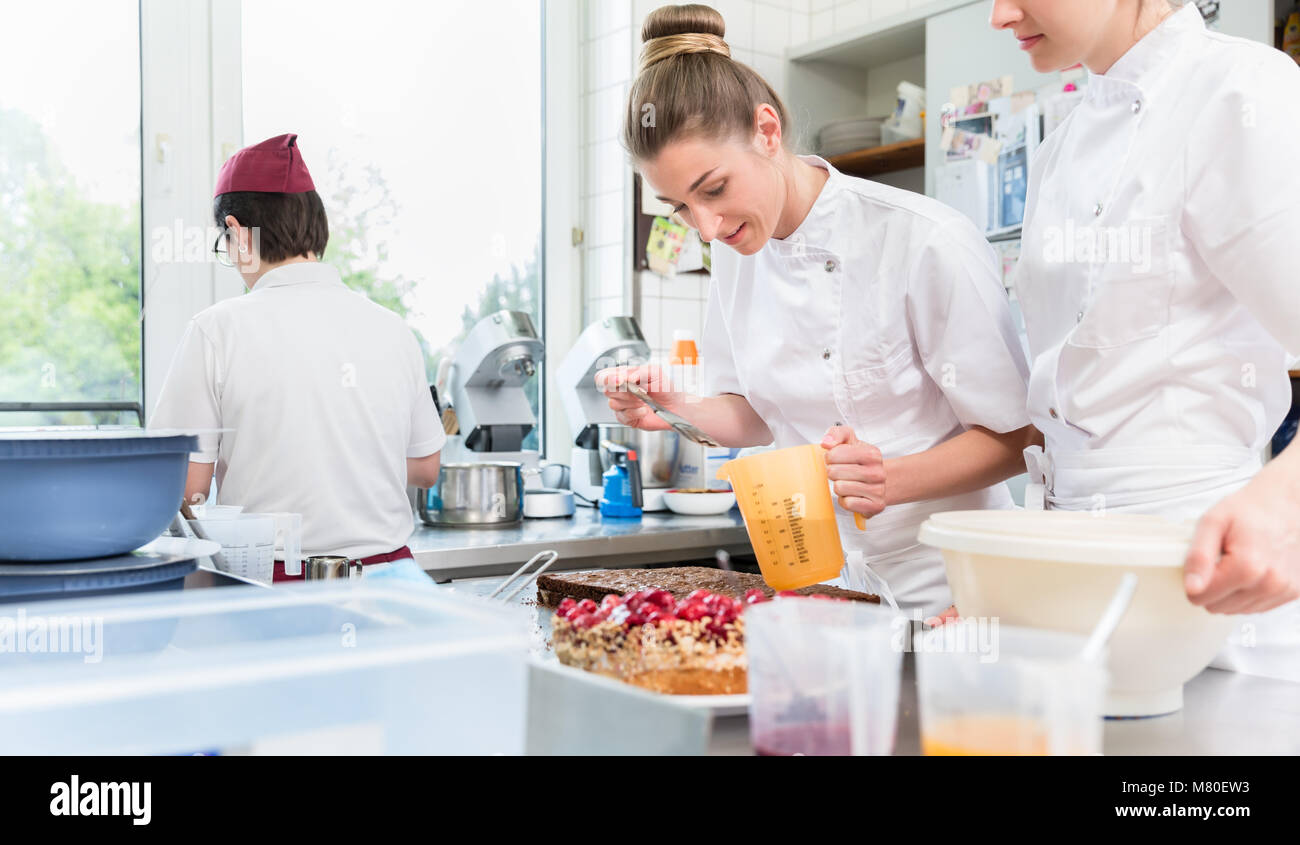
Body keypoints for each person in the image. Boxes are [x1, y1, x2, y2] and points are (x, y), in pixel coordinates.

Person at [599, 4, 1038, 615]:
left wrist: (892, 478)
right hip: (820, 586)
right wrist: (674, 409)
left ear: (767, 130)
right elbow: (755, 413)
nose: (706, 227)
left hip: (948, 586)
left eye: (715, 189)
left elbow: (1018, 437)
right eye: (679, 207)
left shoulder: (922, 239)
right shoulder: (735, 252)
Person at [991, 0, 1300, 679]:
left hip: (1218, 579)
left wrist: (1290, 497)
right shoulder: (1057, 148)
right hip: (1071, 581)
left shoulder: (1240, 91)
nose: (998, 14)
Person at [150, 133, 443, 582]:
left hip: (276, 586)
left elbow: (185, 489)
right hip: (394, 585)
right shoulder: (393, 328)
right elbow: (425, 468)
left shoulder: (216, 330)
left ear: (237, 233)